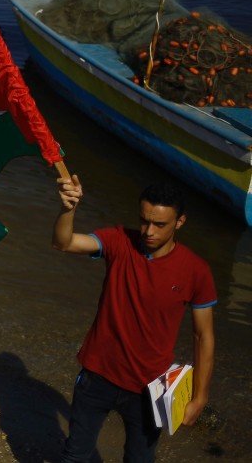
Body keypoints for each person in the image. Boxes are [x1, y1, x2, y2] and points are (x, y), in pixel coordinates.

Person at [52, 175, 216, 463]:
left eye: (160, 224)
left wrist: (200, 396)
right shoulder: (119, 241)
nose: (148, 231)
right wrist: (69, 209)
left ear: (180, 222)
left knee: (139, 459)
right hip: (97, 376)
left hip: (150, 388)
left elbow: (203, 336)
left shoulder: (196, 271)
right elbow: (64, 243)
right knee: (74, 455)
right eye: (144, 221)